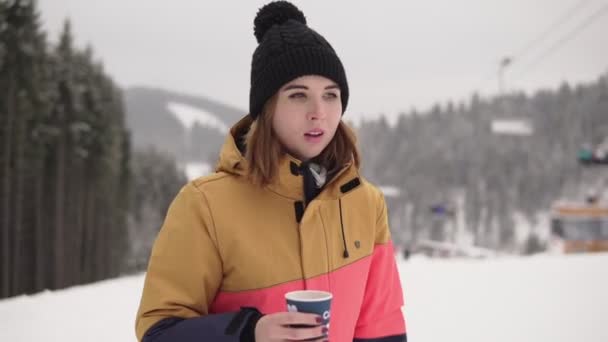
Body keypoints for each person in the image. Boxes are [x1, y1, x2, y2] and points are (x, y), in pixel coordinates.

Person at [135, 1, 407, 341]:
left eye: (330, 95)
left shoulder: (366, 204)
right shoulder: (205, 205)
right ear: (267, 108)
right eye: (298, 95)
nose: (318, 113)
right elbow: (158, 332)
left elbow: (382, 329)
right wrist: (249, 333)